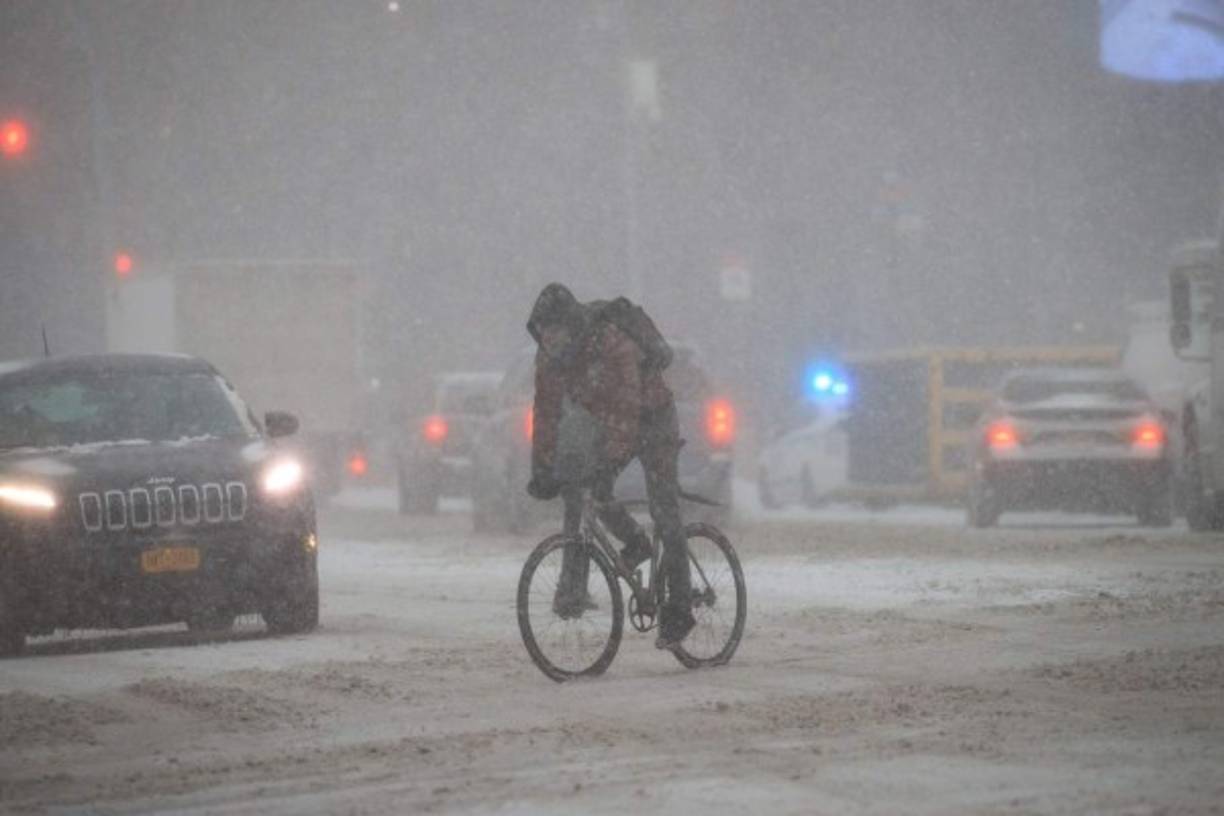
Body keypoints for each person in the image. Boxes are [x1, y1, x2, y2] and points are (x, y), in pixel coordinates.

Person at [525, 283, 695, 650]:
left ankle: (680, 608)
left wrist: (607, 457)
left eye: (555, 331)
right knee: (593, 495)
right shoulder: (549, 358)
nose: (549, 340)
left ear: (570, 325)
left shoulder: (610, 341)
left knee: (664, 510)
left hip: (654, 418)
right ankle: (635, 542)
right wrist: (542, 467)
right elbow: (546, 414)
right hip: (609, 421)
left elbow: (627, 406)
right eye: (544, 334)